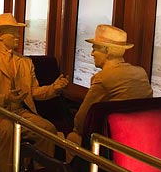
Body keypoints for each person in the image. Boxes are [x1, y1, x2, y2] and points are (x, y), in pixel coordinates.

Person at [0, 13, 69, 172]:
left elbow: (34, 92)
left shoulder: (25, 62)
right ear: (0, 35)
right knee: (8, 130)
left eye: (18, 33)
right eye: (13, 33)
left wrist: (54, 88)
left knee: (47, 128)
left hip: (20, 112)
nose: (18, 37)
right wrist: (6, 98)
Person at [66, 24, 153, 153]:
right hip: (138, 139)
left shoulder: (103, 78)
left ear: (106, 51)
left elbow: (81, 123)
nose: (92, 53)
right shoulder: (141, 72)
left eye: (95, 48)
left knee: (72, 137)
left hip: (112, 144)